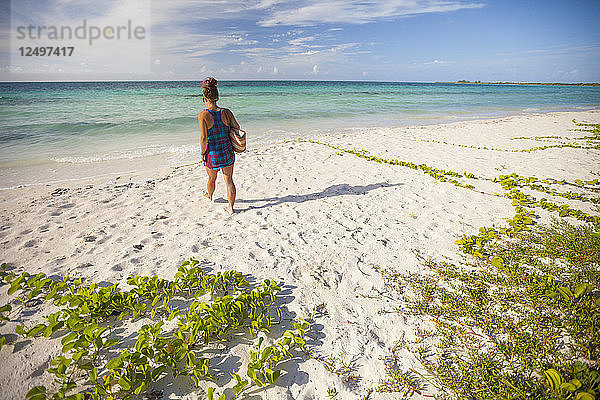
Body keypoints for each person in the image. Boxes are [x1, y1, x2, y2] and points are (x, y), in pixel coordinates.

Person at [198, 77, 240, 214]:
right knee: (229, 180)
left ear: (204, 98)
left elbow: (204, 138)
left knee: (212, 178)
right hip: (227, 150)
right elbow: (237, 127)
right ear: (217, 97)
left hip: (213, 153)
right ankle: (231, 207)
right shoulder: (226, 112)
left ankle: (209, 195)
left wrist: (203, 153)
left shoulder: (203, 115)